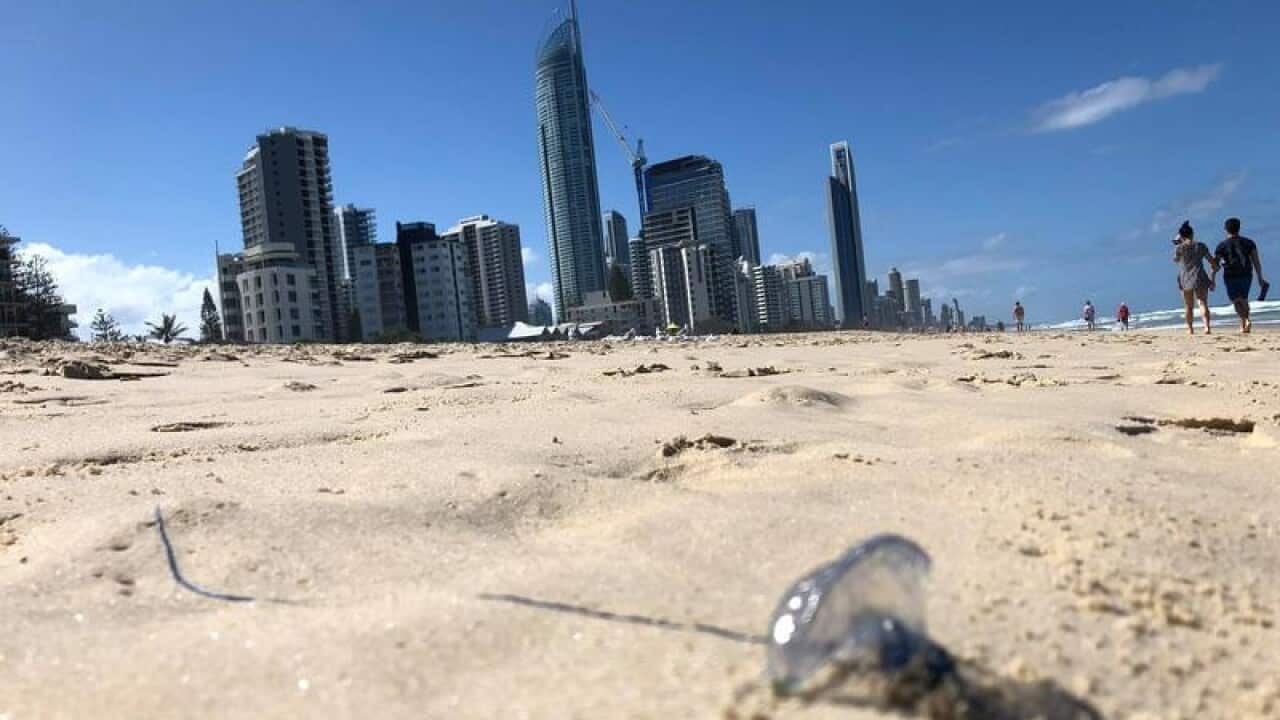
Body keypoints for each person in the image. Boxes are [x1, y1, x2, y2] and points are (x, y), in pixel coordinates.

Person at [1213, 217, 1268, 334]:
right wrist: (1260, 277)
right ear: (1239, 228)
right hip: (1246, 274)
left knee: (1236, 300)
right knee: (1243, 299)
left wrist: (1212, 277)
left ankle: (1245, 320)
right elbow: (1256, 261)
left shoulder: (1221, 246)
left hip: (1230, 275)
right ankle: (1244, 325)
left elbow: (1215, 265)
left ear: (1225, 229)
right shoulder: (1249, 242)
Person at [1173, 220, 1216, 335]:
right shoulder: (1201, 246)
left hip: (1185, 278)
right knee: (1202, 302)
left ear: (1181, 236)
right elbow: (1211, 260)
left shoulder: (1179, 248)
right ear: (1192, 233)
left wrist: (1178, 242)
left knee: (1188, 306)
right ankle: (1206, 327)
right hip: (1200, 276)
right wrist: (1213, 274)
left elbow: (1176, 260)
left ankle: (1190, 329)